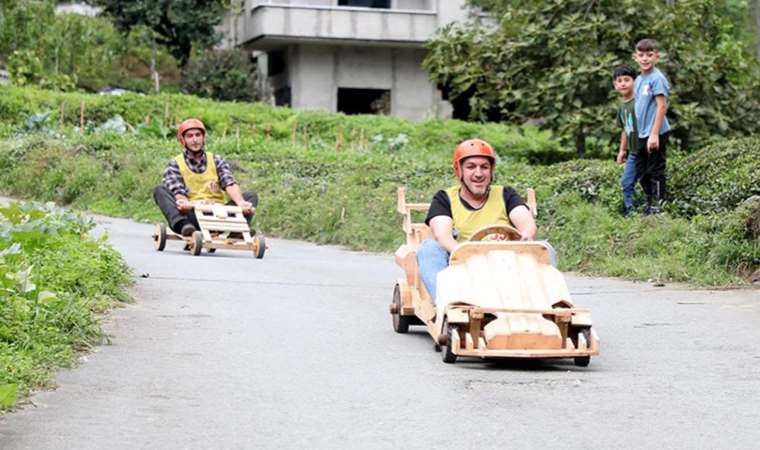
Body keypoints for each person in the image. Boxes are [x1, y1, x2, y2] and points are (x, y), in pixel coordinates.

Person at [416, 138, 540, 302]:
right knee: (428, 248)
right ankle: (447, 303)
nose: (479, 173)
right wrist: (469, 255)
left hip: (506, 266)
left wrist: (526, 235)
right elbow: (442, 236)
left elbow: (526, 223)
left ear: (491, 171)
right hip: (461, 268)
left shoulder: (506, 194)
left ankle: (544, 303)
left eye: (484, 167)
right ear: (459, 170)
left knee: (545, 248)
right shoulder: (444, 198)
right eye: (471, 167)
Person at [153, 118, 258, 236]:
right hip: (193, 215)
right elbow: (178, 192)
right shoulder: (175, 163)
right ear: (183, 140)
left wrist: (241, 203)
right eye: (190, 136)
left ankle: (238, 231)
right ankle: (184, 226)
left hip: (218, 215)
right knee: (159, 190)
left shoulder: (216, 159)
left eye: (198, 135)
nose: (195, 140)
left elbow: (229, 183)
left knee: (250, 196)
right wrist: (185, 203)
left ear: (203, 138)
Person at [633, 38, 670, 215]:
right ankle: (649, 202)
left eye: (649, 55)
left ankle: (659, 205)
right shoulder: (639, 79)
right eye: (641, 55)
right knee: (641, 171)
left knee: (655, 170)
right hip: (641, 132)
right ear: (635, 57)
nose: (645, 59)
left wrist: (654, 134)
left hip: (656, 132)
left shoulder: (657, 78)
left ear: (657, 57)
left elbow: (662, 106)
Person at [613, 64, 639, 217]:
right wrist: (622, 150)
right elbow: (625, 129)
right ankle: (630, 213)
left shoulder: (639, 102)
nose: (623, 83)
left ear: (635, 82)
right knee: (626, 182)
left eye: (627, 80)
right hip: (633, 151)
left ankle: (654, 208)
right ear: (615, 85)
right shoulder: (622, 107)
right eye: (619, 81)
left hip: (646, 149)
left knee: (649, 180)